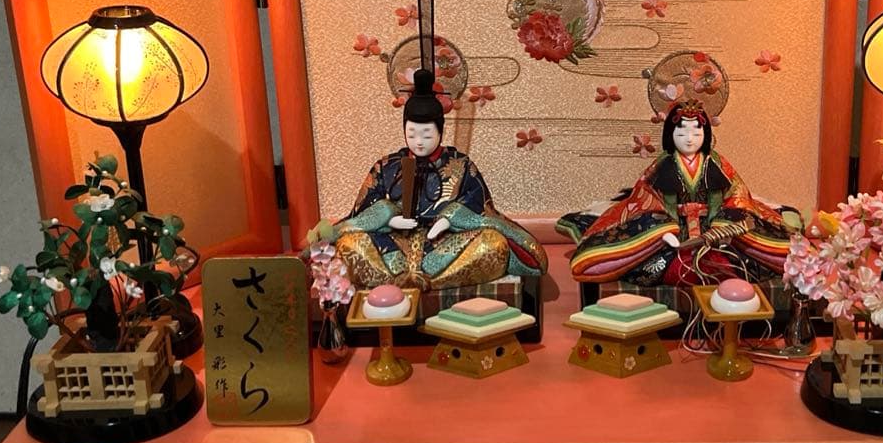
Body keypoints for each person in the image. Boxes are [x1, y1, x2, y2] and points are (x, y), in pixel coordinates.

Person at [332, 69, 547, 290]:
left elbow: (480, 208)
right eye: (412, 134)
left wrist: (449, 219)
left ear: (440, 132)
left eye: (426, 135)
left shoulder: (461, 164)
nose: (419, 142)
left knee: (494, 244)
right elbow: (363, 210)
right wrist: (388, 218)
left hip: (442, 245)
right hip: (392, 245)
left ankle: (420, 281)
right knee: (348, 244)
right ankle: (405, 278)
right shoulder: (386, 166)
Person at [560, 98, 793, 286]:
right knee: (655, 259)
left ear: (706, 135)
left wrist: (724, 228)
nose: (689, 139)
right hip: (673, 231)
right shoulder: (662, 164)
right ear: (670, 135)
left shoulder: (718, 163)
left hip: (715, 231)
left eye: (696, 133)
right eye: (682, 133)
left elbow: (737, 196)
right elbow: (645, 200)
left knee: (741, 258)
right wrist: (665, 232)